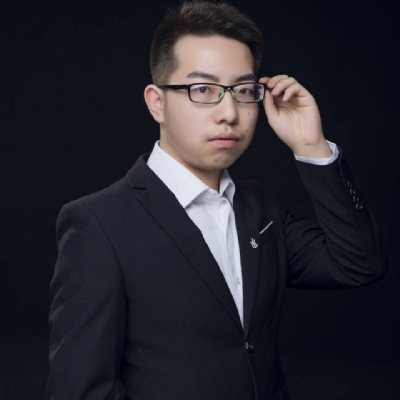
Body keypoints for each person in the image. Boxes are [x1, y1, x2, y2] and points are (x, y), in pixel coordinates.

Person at [46, 1, 387, 399]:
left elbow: (359, 264)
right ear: (157, 102)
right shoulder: (99, 224)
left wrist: (311, 146)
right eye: (203, 89)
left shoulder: (260, 208)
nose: (229, 112)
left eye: (243, 91)